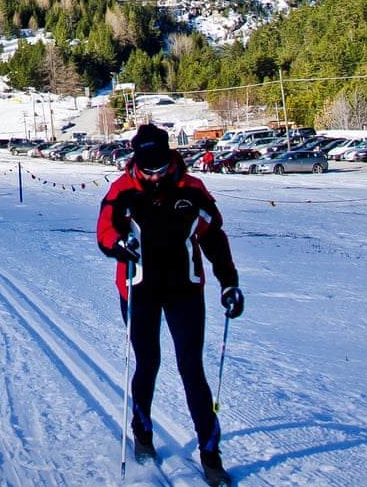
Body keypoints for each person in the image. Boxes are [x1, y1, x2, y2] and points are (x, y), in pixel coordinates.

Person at [97, 124, 244, 487]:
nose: (155, 174)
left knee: (192, 368)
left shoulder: (192, 190)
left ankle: (211, 456)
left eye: (161, 166)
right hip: (139, 289)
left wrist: (229, 283)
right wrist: (118, 246)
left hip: (184, 289)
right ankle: (142, 433)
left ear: (170, 157)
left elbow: (214, 238)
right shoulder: (123, 190)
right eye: (148, 168)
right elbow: (104, 230)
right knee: (148, 362)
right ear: (136, 161)